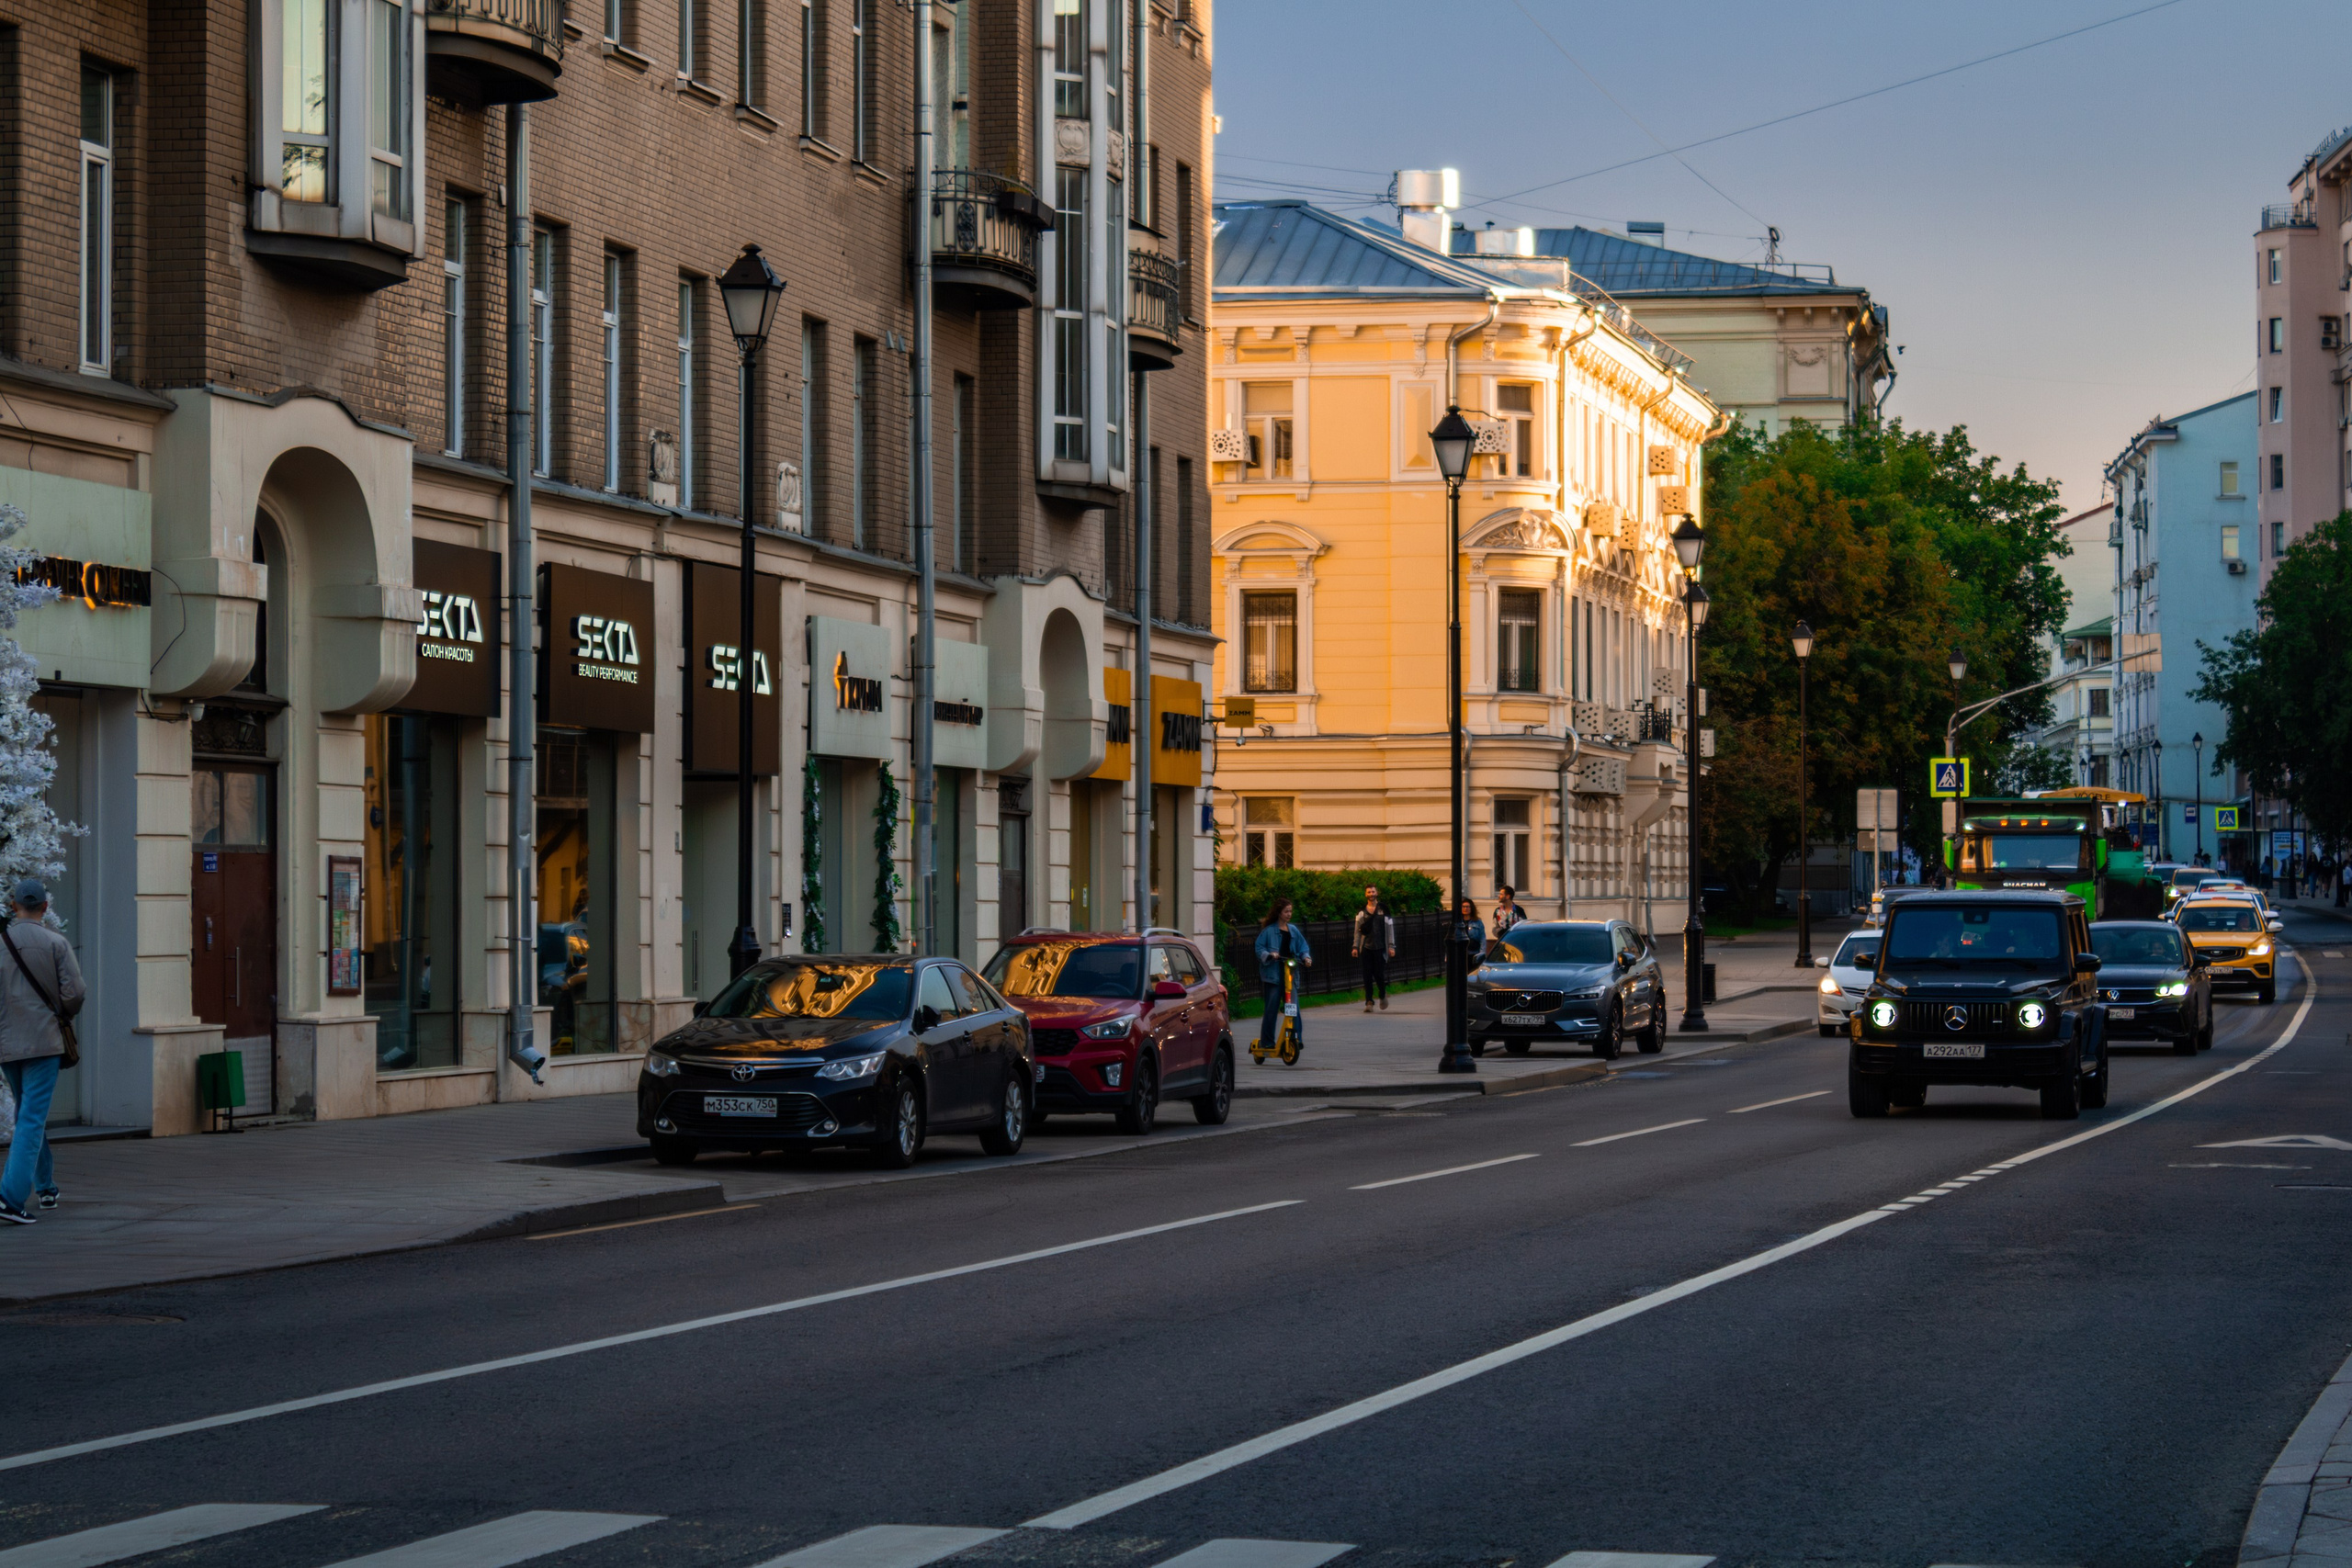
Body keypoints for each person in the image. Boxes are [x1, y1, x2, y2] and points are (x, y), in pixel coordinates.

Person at [0, 879, 83, 1225]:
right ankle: (9, 1198)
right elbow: (75, 993)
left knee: (27, 1115)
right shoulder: (56, 943)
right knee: (31, 1118)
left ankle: (46, 1186)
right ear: (46, 907)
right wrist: (60, 1012)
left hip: (7, 1043)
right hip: (45, 1041)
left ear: (13, 904)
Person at [1253, 899, 1312, 1055]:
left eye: (1291, 911)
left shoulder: (1293, 931)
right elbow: (1259, 948)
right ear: (1279, 912)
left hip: (1289, 974)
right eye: (1286, 911)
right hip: (1273, 975)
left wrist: (1306, 958)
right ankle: (1267, 1042)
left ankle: (1295, 1039)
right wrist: (1269, 955)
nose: (1289, 914)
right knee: (1271, 1008)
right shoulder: (1268, 931)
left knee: (1293, 1008)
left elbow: (1302, 947)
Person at [1352, 886, 1396, 1012]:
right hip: (1366, 947)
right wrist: (1355, 946)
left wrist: (1391, 946)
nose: (1371, 894)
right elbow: (1357, 931)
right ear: (1366, 894)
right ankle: (1369, 1002)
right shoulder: (1361, 912)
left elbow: (1390, 929)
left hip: (1380, 947)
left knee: (1379, 974)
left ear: (1377, 893)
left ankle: (1382, 994)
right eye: (1369, 892)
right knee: (1367, 975)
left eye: (1373, 891)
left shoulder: (1384, 910)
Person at [1488, 884, 1525, 955]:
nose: (1499, 896)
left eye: (1501, 894)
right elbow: (1495, 928)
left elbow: (1524, 925)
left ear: (1508, 896)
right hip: (1502, 944)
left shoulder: (1519, 910)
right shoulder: (1497, 911)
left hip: (1517, 944)